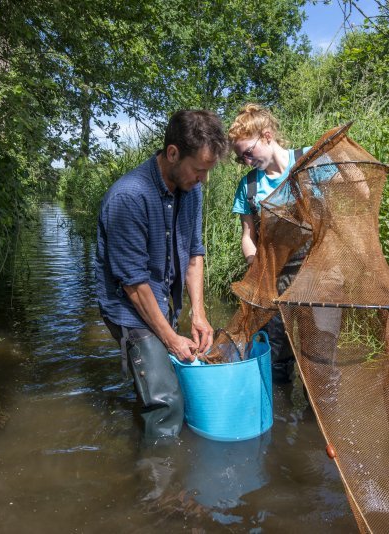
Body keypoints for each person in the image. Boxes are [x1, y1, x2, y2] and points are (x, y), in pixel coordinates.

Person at [95, 109, 229, 442]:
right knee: (167, 404)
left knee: (171, 378)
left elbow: (194, 254)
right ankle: (160, 489)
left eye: (208, 171)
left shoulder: (192, 190)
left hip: (159, 295)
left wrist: (199, 314)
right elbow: (134, 285)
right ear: (172, 153)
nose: (204, 179)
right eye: (199, 169)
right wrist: (170, 338)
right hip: (128, 305)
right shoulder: (128, 197)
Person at [229, 103, 311, 383]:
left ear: (266, 136)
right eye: (242, 159)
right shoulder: (249, 186)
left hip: (318, 275)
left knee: (320, 357)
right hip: (273, 280)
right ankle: (280, 418)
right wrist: (256, 266)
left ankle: (314, 422)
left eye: (248, 154)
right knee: (276, 356)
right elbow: (248, 237)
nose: (248, 162)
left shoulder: (310, 161)